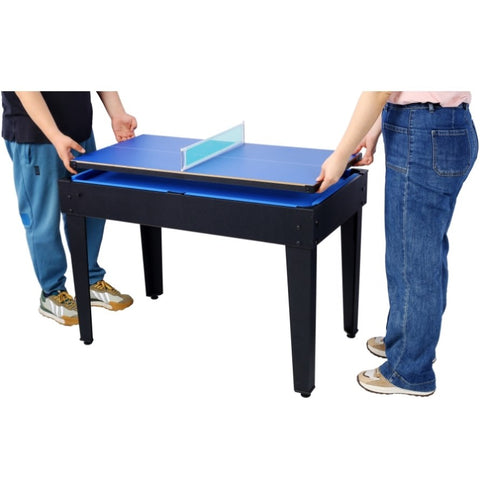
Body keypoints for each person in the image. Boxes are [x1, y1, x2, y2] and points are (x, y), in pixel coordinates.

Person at [317, 91, 478, 396]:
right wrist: (374, 129)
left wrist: (340, 155)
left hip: (422, 133)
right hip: (447, 126)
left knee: (411, 259)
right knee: (426, 251)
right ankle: (410, 341)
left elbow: (379, 89)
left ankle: (409, 370)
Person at [2, 91, 137, 326]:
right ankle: (53, 293)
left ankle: (89, 279)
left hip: (80, 132)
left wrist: (117, 113)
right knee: (43, 219)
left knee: (90, 209)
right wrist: (56, 136)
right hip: (36, 137)